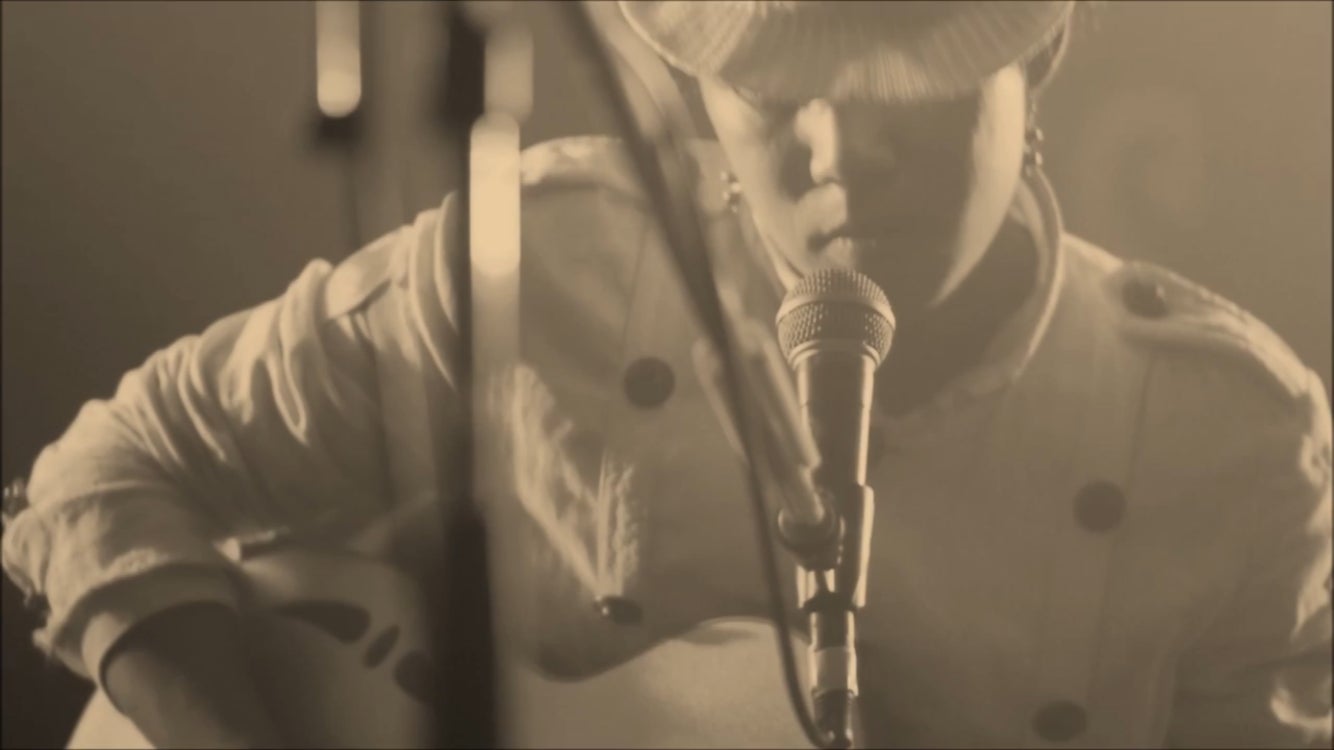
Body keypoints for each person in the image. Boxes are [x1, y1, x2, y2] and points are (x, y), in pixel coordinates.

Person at [3, 1, 1330, 747]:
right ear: (697, 91)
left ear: (1035, 56)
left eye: (903, 85)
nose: (839, 151)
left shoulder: (1231, 440)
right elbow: (104, 475)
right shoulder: (541, 264)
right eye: (775, 91)